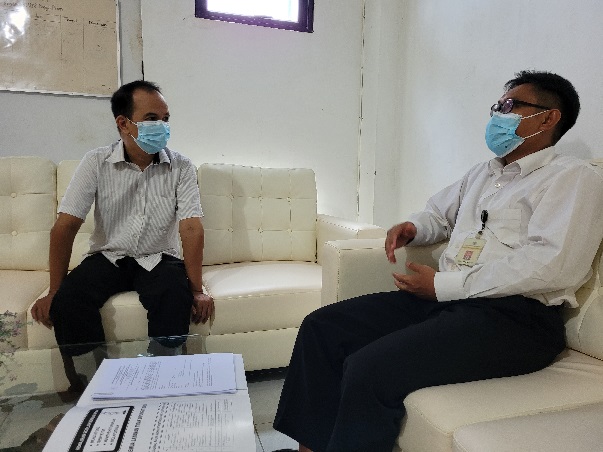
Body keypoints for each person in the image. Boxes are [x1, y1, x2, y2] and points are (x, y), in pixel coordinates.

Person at [272, 70, 603, 452]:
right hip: (448, 303)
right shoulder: (483, 173)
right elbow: (439, 215)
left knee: (370, 367)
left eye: (511, 106)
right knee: (321, 328)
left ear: (548, 118)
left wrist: (443, 285)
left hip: (515, 320)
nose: (498, 114)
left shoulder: (573, 178)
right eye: (497, 106)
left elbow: (553, 265)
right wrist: (415, 227)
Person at [30, 80, 214, 390]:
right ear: (123, 123)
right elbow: (66, 226)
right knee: (69, 301)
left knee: (174, 295)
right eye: (152, 118)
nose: (162, 126)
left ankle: (161, 379)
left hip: (158, 257)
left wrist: (197, 289)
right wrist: (54, 291)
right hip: (109, 256)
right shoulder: (96, 162)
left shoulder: (181, 166)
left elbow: (191, 227)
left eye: (165, 119)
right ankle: (92, 385)